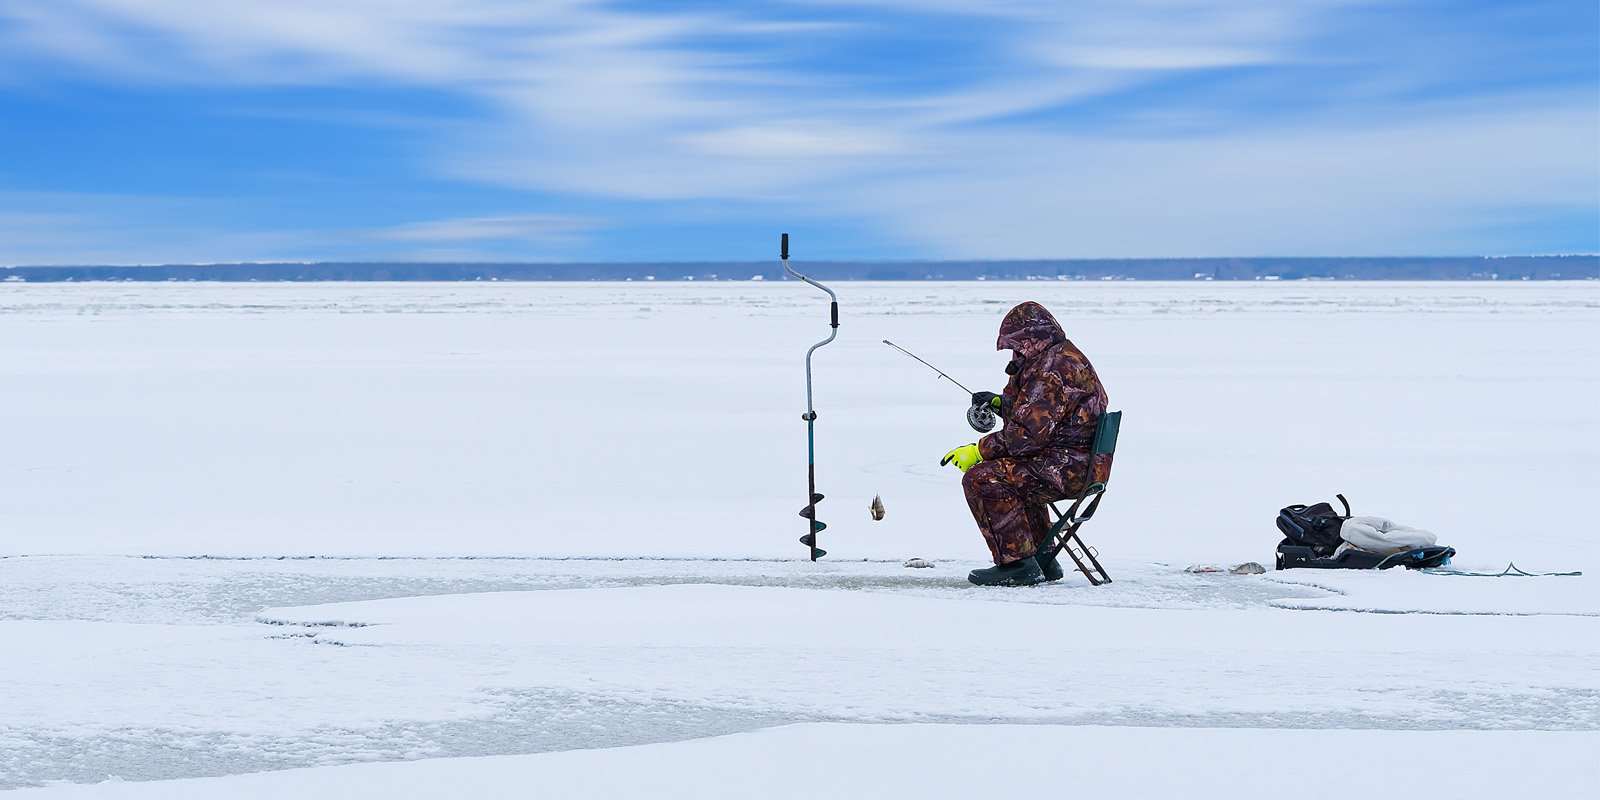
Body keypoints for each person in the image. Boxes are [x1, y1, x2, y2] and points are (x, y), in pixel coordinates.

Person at [939, 301, 1112, 586]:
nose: (1014, 352)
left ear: (1032, 338)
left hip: (1069, 468)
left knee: (982, 478)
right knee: (1013, 473)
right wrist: (1000, 403)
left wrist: (977, 451)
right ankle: (1042, 559)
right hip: (1077, 462)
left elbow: (1025, 437)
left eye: (1017, 345)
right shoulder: (1059, 357)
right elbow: (1041, 417)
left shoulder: (1052, 369)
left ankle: (1017, 564)